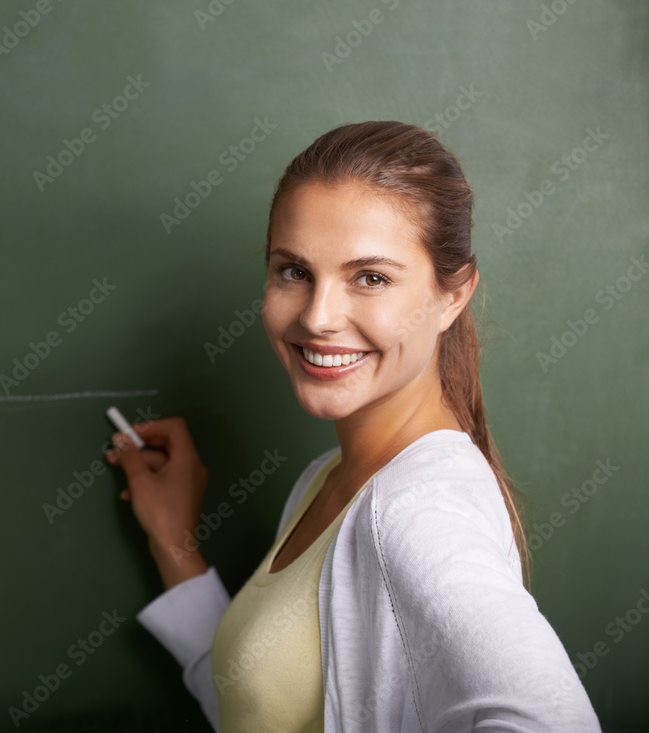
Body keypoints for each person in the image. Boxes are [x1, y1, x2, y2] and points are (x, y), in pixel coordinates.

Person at [104, 121, 601, 731]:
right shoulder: (332, 480)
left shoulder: (419, 510)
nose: (318, 317)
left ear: (453, 295)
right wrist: (173, 540)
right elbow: (257, 705)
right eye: (293, 271)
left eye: (371, 278)